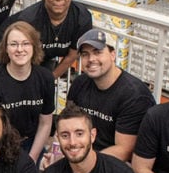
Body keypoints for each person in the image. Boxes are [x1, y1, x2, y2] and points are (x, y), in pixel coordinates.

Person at [66, 28, 155, 161]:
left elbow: (124, 150)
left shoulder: (134, 95)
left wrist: (84, 162)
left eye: (98, 52)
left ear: (113, 55)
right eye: (85, 54)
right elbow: (67, 123)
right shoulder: (79, 83)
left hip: (116, 165)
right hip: (82, 154)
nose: (91, 59)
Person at [0, 21, 54, 161]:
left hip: (33, 144)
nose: (20, 49)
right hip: (0, 146)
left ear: (34, 47)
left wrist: (32, 158)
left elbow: (45, 122)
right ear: (5, 49)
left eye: (26, 43)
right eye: (13, 44)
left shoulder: (45, 78)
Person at [2, 0, 92, 78]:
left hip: (45, 56)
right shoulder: (29, 20)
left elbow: (73, 54)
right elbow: (21, 56)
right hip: (14, 52)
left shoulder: (81, 17)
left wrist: (50, 79)